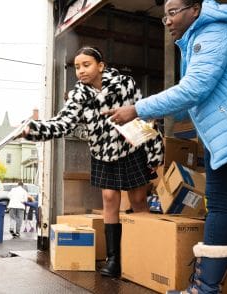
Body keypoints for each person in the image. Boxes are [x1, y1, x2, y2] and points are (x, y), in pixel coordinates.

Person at [103, 0, 227, 292]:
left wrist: (137, 109)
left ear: (195, 9)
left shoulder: (211, 35)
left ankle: (204, 289)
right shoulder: (209, 34)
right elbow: (200, 96)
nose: (166, 20)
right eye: (164, 15)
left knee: (220, 205)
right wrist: (151, 117)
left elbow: (195, 88)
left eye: (173, 12)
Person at [23, 46, 164, 277]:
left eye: (86, 65)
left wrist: (154, 152)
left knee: (139, 199)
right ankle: (113, 260)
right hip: (102, 153)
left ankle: (145, 252)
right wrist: (33, 130)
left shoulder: (125, 83)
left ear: (101, 66)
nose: (80, 71)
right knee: (109, 199)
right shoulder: (78, 95)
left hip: (132, 148)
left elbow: (145, 115)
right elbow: (63, 123)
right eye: (77, 67)